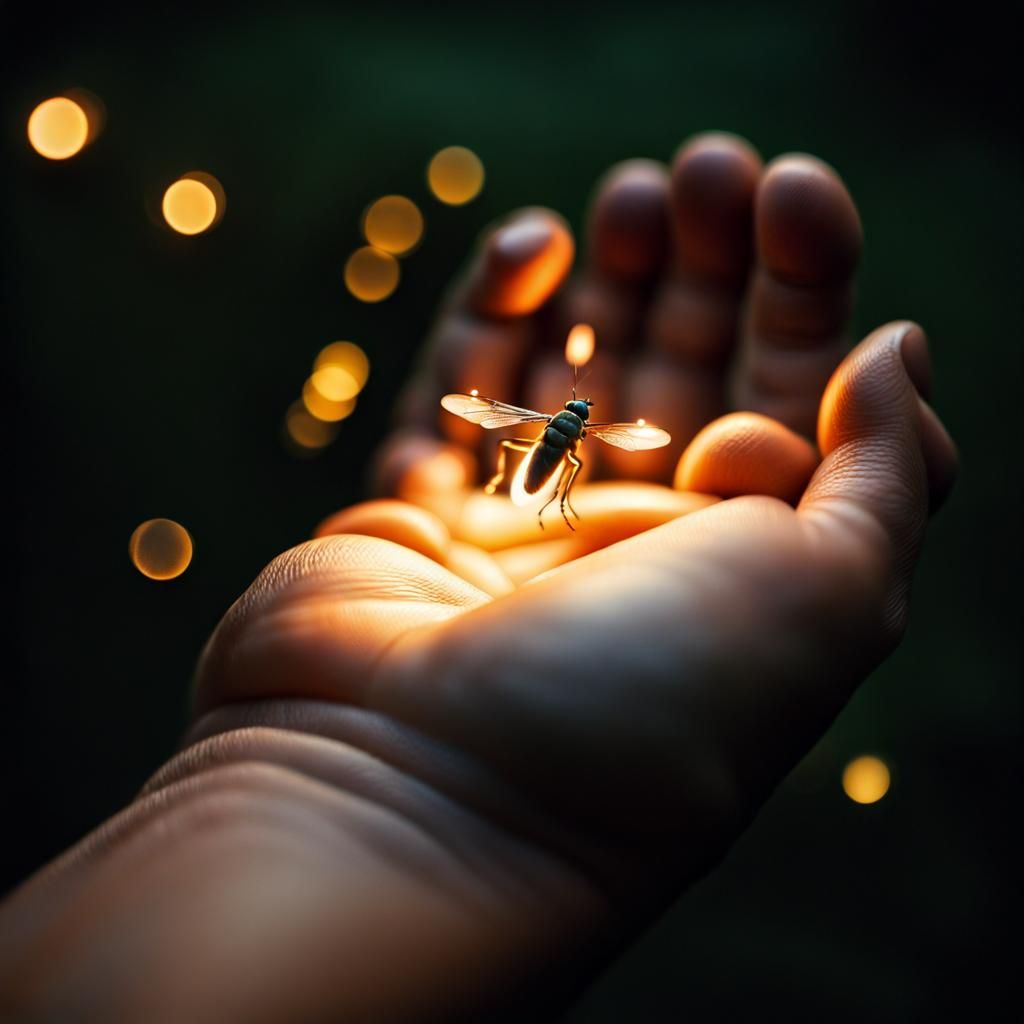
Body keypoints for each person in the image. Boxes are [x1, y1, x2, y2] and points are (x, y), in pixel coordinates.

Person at [0, 132, 957, 1023]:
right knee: (550, 464)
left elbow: (516, 426)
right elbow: (544, 436)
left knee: (539, 459)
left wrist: (315, 769)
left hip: (498, 535)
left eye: (570, 424)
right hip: (510, 548)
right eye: (568, 422)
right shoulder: (574, 433)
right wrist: (371, 776)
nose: (569, 424)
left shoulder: (556, 429)